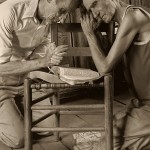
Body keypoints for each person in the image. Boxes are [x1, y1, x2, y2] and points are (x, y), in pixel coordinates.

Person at [0, 0, 81, 148]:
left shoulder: (48, 20)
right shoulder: (9, 11)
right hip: (1, 83)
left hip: (23, 81)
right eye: (62, 11)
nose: (62, 19)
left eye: (66, 14)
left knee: (47, 128)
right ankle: (10, 115)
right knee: (20, 140)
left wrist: (51, 58)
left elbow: (42, 55)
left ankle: (13, 111)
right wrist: (42, 62)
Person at [80, 0, 150, 149]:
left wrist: (89, 34)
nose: (94, 14)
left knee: (110, 141)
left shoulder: (133, 17)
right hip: (142, 102)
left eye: (94, 5)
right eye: (90, 11)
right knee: (113, 128)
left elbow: (104, 68)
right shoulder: (124, 20)